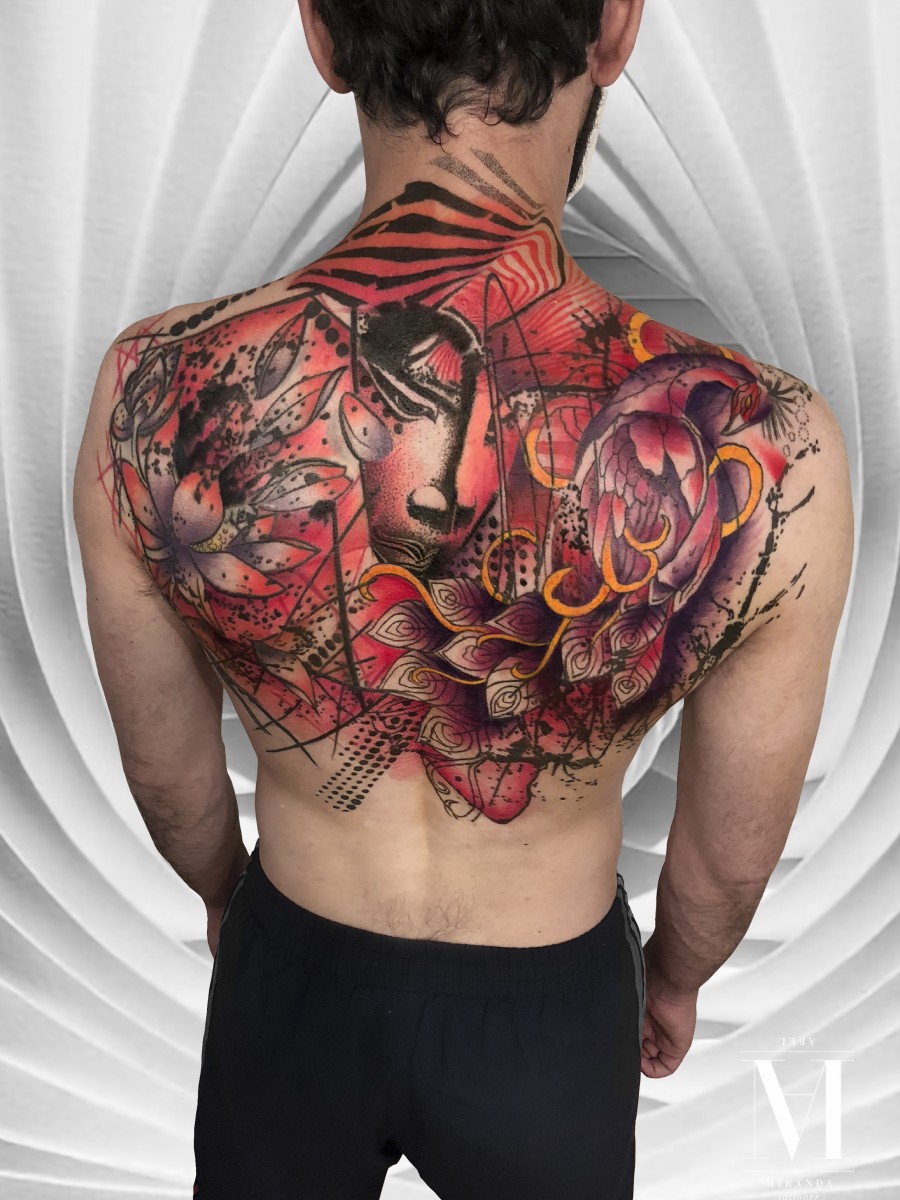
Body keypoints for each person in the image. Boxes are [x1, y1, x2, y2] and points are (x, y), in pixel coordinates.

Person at [72, 0, 853, 1196]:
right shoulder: (770, 448)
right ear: (615, 28)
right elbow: (725, 858)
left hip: (296, 968)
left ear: (323, 33)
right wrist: (675, 978)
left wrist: (232, 906)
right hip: (548, 1013)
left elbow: (166, 768)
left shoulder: (154, 389)